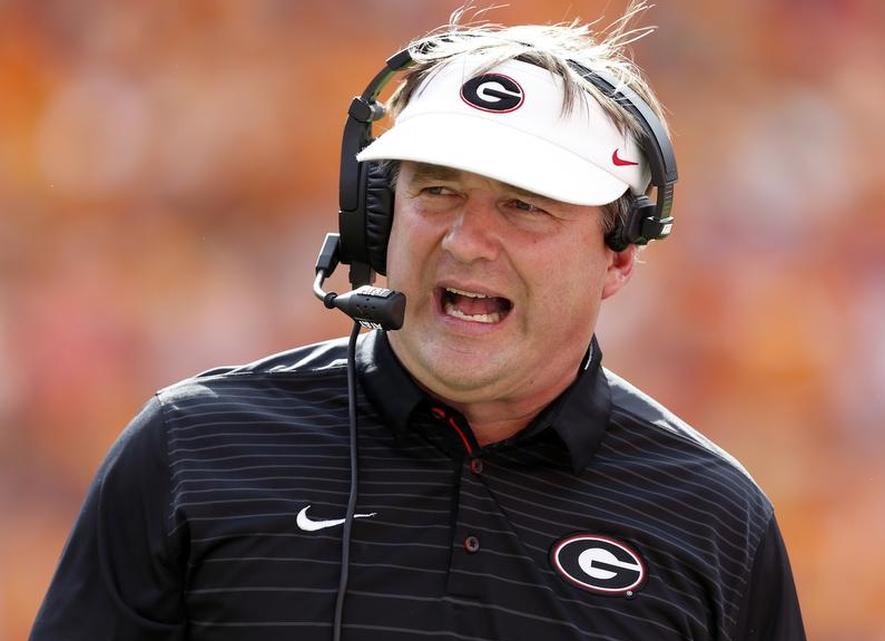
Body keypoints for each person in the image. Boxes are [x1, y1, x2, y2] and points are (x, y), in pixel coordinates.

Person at [31, 7, 806, 641]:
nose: (467, 240)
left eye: (524, 205)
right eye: (437, 191)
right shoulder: (191, 448)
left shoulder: (716, 523)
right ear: (376, 218)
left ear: (619, 256)